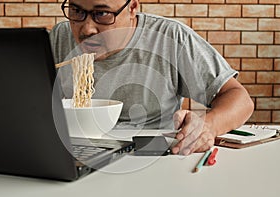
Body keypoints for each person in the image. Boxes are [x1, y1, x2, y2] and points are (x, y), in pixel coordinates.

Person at [49, 0, 254, 155]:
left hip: (154, 154)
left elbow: (239, 99)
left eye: (101, 14)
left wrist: (207, 126)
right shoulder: (60, 36)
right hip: (77, 150)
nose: (87, 29)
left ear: (132, 9)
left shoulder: (171, 38)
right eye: (77, 11)